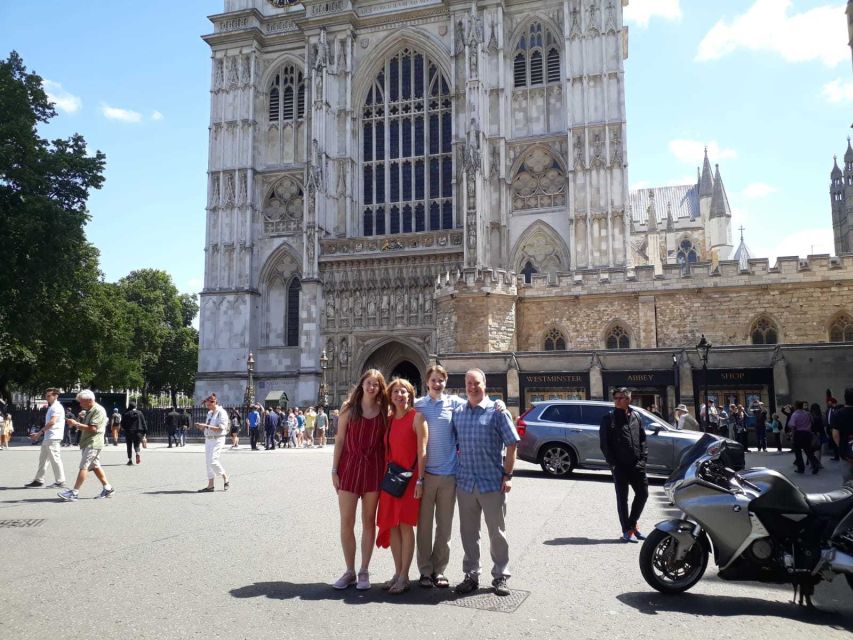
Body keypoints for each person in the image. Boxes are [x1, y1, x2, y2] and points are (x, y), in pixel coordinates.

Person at [452, 369, 520, 597]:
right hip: (466, 483)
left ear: (485, 384)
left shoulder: (498, 411)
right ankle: (471, 574)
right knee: (469, 533)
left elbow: (512, 444)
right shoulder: (458, 411)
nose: (472, 386)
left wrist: (508, 475)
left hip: (492, 483)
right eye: (469, 383)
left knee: (497, 533)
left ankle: (500, 576)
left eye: (477, 382)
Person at [331, 369, 388, 591]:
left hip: (374, 469)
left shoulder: (384, 411)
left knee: (368, 521)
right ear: (362, 384)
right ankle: (349, 571)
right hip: (350, 467)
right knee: (346, 521)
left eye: (376, 384)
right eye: (368, 383)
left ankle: (364, 570)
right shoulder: (348, 409)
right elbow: (339, 440)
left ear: (380, 388)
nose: (372, 387)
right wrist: (334, 470)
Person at [376, 378, 428, 594]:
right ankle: (397, 572)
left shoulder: (417, 418)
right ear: (391, 396)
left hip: (409, 479)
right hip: (392, 479)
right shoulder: (388, 420)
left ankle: (405, 576)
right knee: (393, 525)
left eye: (404, 392)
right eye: (396, 392)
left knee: (405, 526)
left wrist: (420, 480)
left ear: (410, 395)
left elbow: (422, 452)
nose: (399, 395)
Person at [599, 387, 648, 544]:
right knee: (623, 499)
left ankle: (632, 524)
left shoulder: (636, 416)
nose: (618, 401)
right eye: (616, 398)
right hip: (619, 466)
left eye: (621, 398)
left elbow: (642, 439)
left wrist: (643, 459)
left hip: (637, 464)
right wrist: (613, 464)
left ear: (629, 399)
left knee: (643, 494)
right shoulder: (609, 418)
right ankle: (626, 530)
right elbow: (604, 445)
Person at [58, 390, 115, 501]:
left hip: (93, 442)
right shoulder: (89, 410)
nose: (80, 404)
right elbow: (86, 426)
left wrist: (76, 424)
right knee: (95, 466)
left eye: (82, 402)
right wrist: (78, 421)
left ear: (90, 400)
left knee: (83, 466)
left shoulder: (98, 410)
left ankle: (74, 493)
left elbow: (93, 429)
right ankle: (108, 488)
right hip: (89, 441)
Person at [24, 388, 67, 488]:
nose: (46, 397)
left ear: (56, 396)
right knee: (43, 460)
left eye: (49, 396)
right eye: (46, 395)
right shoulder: (53, 407)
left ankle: (60, 481)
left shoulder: (56, 407)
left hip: (53, 436)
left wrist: (39, 433)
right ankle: (39, 480)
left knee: (55, 459)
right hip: (49, 437)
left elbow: (52, 422)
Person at [194, 393, 230, 492]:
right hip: (208, 439)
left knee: (213, 460)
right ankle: (210, 485)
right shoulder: (210, 413)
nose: (207, 406)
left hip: (218, 439)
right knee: (208, 462)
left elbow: (220, 429)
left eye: (208, 404)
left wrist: (206, 425)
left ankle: (225, 477)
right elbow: (209, 426)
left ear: (214, 402)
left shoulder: (222, 413)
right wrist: (202, 427)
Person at [830, 387, 853, 482]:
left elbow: (835, 434)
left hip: (846, 453)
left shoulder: (838, 414)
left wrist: (842, 447)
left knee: (847, 480)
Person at [790, 401, 819, 474]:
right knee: (809, 451)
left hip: (798, 433)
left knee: (798, 452)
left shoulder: (795, 415)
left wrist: (793, 437)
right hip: (807, 433)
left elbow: (793, 427)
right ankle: (815, 465)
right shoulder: (807, 414)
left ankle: (801, 468)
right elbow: (812, 422)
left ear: (796, 406)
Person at [827, 396, 841, 461]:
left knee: (837, 442)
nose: (828, 403)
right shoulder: (828, 410)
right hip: (830, 428)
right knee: (833, 442)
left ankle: (840, 455)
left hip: (836, 428)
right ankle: (836, 456)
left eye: (829, 402)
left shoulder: (837, 409)